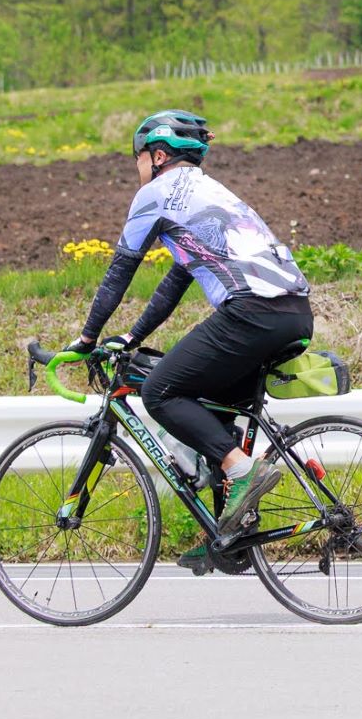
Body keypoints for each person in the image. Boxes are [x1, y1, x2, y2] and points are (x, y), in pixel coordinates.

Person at [72, 109, 316, 541]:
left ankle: (242, 470)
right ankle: (229, 536)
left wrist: (87, 337)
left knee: (159, 392)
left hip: (251, 313)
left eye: (138, 157)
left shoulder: (156, 194)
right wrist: (132, 336)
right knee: (213, 410)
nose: (137, 167)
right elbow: (176, 280)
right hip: (294, 314)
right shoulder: (210, 193)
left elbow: (120, 270)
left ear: (158, 155)